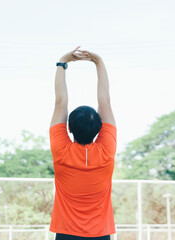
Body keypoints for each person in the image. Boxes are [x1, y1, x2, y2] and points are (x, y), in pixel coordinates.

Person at [49, 47, 117, 240]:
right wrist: (98, 62)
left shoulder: (61, 151)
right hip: (100, 234)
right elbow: (105, 102)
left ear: (68, 129)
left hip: (66, 234)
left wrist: (63, 62)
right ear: (99, 129)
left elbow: (59, 103)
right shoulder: (106, 151)